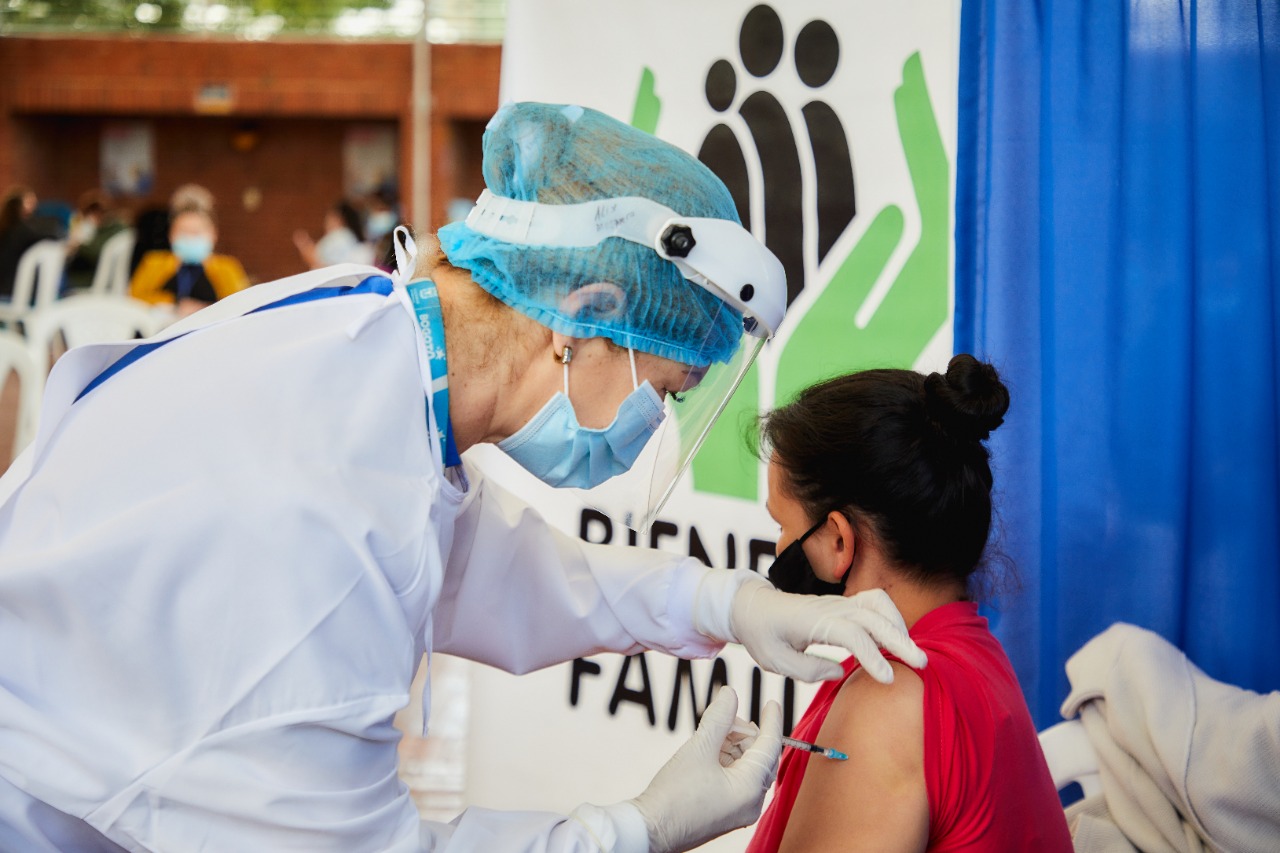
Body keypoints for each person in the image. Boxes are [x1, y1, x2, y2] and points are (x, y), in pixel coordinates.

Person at [0, 101, 925, 853]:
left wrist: (721, 602)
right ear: (587, 313)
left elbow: (481, 562)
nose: (655, 426)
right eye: (669, 389)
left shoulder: (372, 341)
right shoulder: (315, 512)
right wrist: (633, 829)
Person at [746, 355, 1073, 852]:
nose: (778, 548)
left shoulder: (888, 701)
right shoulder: (969, 654)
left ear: (838, 541)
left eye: (782, 526)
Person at [129, 204, 249, 317]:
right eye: (183, 232)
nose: (189, 238)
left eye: (196, 232)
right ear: (171, 235)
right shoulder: (153, 262)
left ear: (213, 235)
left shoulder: (227, 267)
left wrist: (204, 308)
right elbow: (134, 297)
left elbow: (242, 303)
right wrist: (174, 303)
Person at [63, 190, 129, 293]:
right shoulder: (95, 229)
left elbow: (98, 252)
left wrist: (79, 244)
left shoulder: (116, 229)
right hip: (82, 277)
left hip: (90, 280)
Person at [0, 185, 58, 300]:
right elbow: (53, 238)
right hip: (13, 289)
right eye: (30, 202)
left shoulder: (7, 226)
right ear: (19, 205)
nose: (34, 205)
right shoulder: (22, 230)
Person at [293, 199, 375, 268]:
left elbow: (314, 258)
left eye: (329, 218)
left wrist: (304, 244)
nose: (326, 222)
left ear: (338, 218)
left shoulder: (337, 236)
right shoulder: (354, 238)